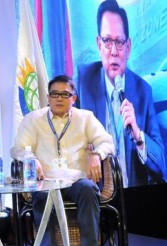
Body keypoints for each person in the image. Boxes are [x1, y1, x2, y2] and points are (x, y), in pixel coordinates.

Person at [11, 75, 114, 246]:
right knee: (40, 194)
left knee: (89, 189)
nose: (59, 98)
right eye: (55, 94)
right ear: (48, 97)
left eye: (65, 94)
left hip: (77, 180)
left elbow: (107, 142)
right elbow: (17, 148)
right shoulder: (33, 119)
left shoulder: (86, 118)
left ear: (73, 98)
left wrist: (97, 155)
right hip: (46, 180)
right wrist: (30, 158)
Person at [76, 0, 166, 187]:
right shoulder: (83, 82)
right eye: (108, 41)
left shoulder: (142, 91)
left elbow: (161, 165)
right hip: (97, 198)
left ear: (128, 46)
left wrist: (139, 135)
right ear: (99, 44)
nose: (114, 51)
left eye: (119, 42)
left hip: (133, 198)